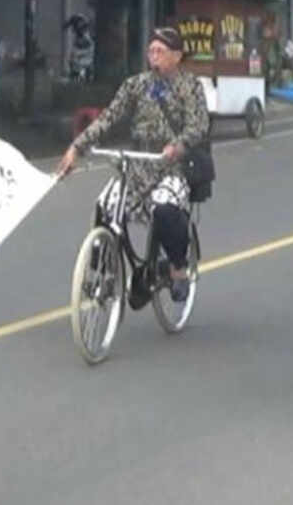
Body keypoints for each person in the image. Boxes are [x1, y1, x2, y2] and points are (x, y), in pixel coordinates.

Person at [55, 27, 210, 307]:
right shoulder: (136, 85)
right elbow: (108, 118)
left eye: (160, 51)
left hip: (172, 167)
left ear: (177, 56)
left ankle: (178, 268)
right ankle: (104, 271)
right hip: (138, 165)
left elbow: (198, 126)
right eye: (151, 51)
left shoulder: (191, 87)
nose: (154, 56)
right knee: (106, 206)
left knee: (165, 209)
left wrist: (178, 146)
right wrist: (77, 147)